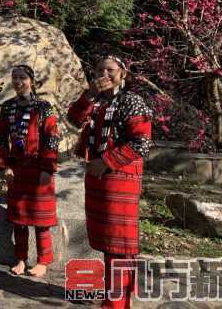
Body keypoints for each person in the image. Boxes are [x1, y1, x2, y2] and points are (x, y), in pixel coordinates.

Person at [67, 56, 153, 309]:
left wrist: (106, 162)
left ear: (123, 73)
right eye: (99, 70)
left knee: (119, 242)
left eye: (110, 70)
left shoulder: (132, 100)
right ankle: (120, 293)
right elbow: (74, 119)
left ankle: (116, 302)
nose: (104, 73)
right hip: (98, 179)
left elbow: (142, 142)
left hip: (120, 176)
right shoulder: (98, 100)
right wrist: (89, 94)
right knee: (108, 241)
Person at [0, 65, 59, 278]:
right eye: (14, 77)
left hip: (39, 168)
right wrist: (5, 166)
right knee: (19, 219)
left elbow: (52, 137)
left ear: (32, 81)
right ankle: (20, 258)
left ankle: (43, 261)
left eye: (22, 77)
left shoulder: (44, 107)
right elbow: (0, 137)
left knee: (41, 220)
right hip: (17, 168)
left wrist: (48, 168)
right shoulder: (8, 107)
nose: (18, 81)